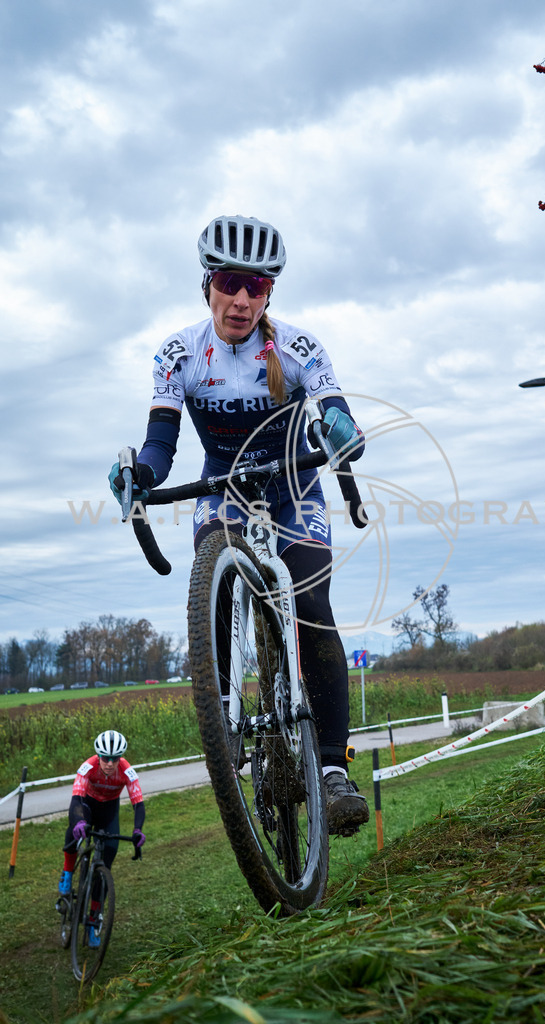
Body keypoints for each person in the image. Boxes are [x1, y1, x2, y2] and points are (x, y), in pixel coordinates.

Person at [109, 214, 369, 835]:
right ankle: (224, 729)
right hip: (223, 488)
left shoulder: (300, 348)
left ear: (270, 293)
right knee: (215, 585)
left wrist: (340, 430)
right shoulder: (179, 355)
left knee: (312, 606)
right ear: (209, 285)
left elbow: (337, 412)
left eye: (257, 286)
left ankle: (332, 769)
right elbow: (161, 444)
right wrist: (141, 475)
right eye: (231, 282)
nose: (243, 299)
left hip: (293, 488)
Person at [57, 730, 146, 947]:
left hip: (108, 812)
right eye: (105, 758)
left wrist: (137, 830)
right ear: (98, 756)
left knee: (108, 857)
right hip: (86, 806)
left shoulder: (127, 771)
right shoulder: (87, 767)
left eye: (114, 758)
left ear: (120, 757)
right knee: (73, 832)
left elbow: (139, 804)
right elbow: (76, 799)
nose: (109, 763)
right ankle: (67, 873)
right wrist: (79, 821)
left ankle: (93, 919)